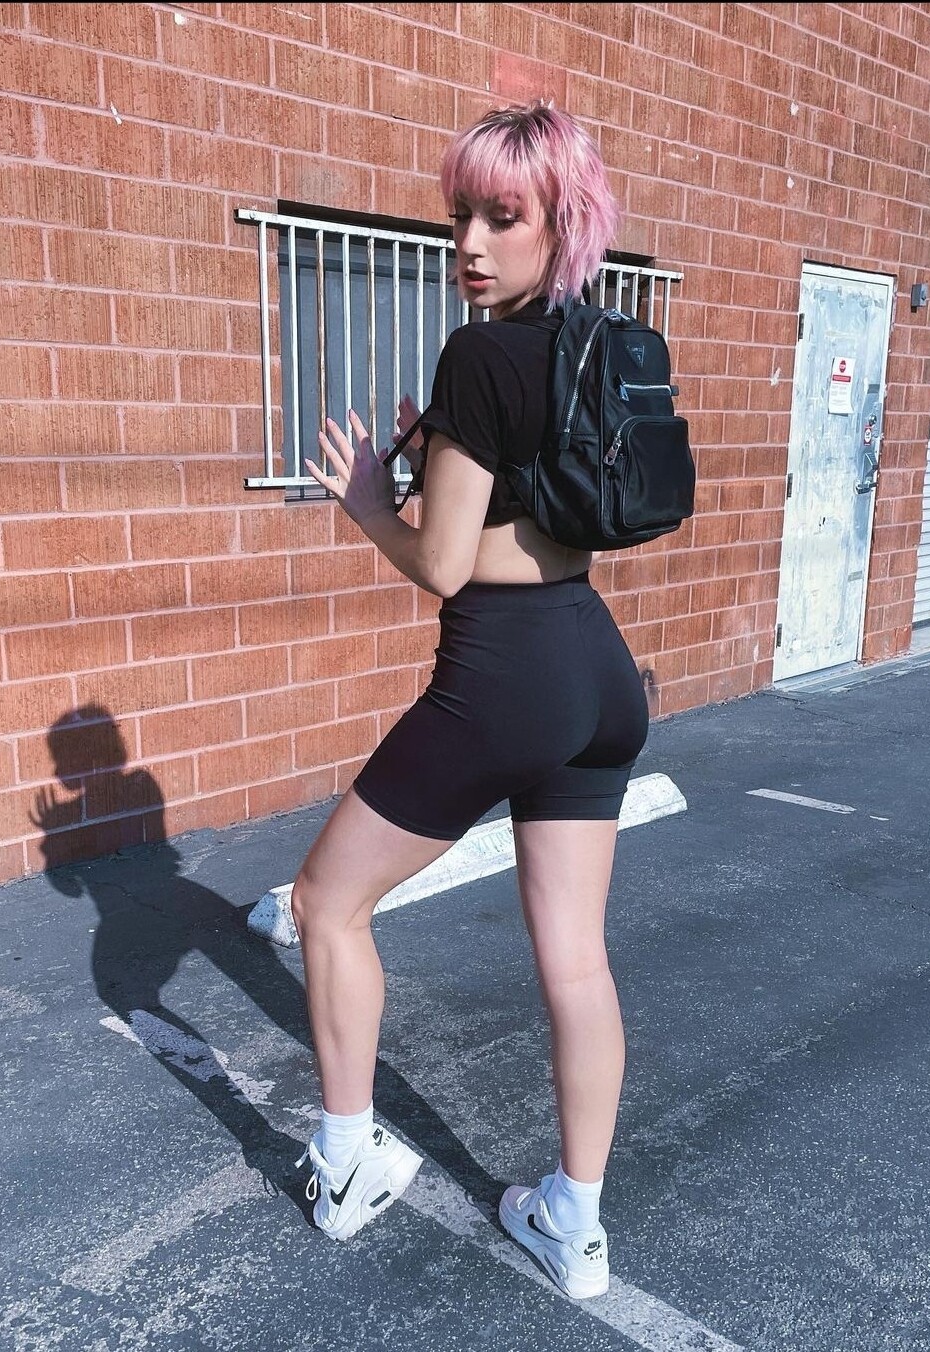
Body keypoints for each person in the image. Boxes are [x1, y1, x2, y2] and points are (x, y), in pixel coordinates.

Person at [292, 101, 651, 1301]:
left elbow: (443, 563)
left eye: (504, 216)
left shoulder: (477, 354)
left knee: (325, 901)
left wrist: (366, 501)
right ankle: (574, 1224)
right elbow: (520, 501)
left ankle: (348, 1162)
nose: (471, 243)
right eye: (460, 215)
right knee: (575, 960)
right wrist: (434, 458)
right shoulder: (587, 343)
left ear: (564, 222)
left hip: (503, 671)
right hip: (597, 667)